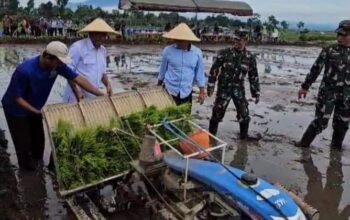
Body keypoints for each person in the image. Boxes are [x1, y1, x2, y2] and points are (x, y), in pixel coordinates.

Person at [1, 41, 105, 171]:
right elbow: (17, 98)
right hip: (16, 111)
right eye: (59, 61)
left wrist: (101, 94)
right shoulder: (25, 71)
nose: (61, 65)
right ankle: (27, 174)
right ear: (48, 57)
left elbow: (78, 79)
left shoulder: (57, 66)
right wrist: (37, 112)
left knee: (39, 143)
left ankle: (38, 167)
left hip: (36, 108)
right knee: (23, 145)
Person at [297, 20, 350, 149]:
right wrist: (305, 86)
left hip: (347, 97)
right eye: (338, 35)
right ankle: (303, 146)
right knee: (320, 122)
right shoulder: (329, 50)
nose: (339, 38)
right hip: (328, 93)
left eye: (343, 35)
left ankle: (335, 153)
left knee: (342, 124)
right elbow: (316, 69)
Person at [207, 30, 260, 139]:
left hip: (239, 89)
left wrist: (256, 92)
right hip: (224, 89)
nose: (238, 42)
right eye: (236, 40)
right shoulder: (224, 53)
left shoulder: (249, 57)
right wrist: (211, 86)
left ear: (246, 41)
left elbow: (253, 75)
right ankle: (211, 137)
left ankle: (243, 137)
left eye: (241, 40)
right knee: (217, 113)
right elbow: (214, 70)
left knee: (244, 113)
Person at [63, 18, 120, 103]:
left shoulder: (103, 50)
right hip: (75, 98)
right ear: (92, 33)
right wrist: (77, 91)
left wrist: (108, 84)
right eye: (101, 35)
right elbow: (67, 72)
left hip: (93, 98)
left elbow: (102, 72)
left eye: (105, 35)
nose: (104, 38)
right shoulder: (78, 48)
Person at [157, 23, 206, 107]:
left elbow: (200, 74)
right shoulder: (168, 51)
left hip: (186, 92)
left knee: (184, 118)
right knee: (168, 117)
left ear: (188, 40)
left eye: (182, 40)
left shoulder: (197, 53)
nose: (178, 42)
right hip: (169, 91)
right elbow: (162, 70)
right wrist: (158, 87)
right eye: (177, 40)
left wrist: (202, 92)